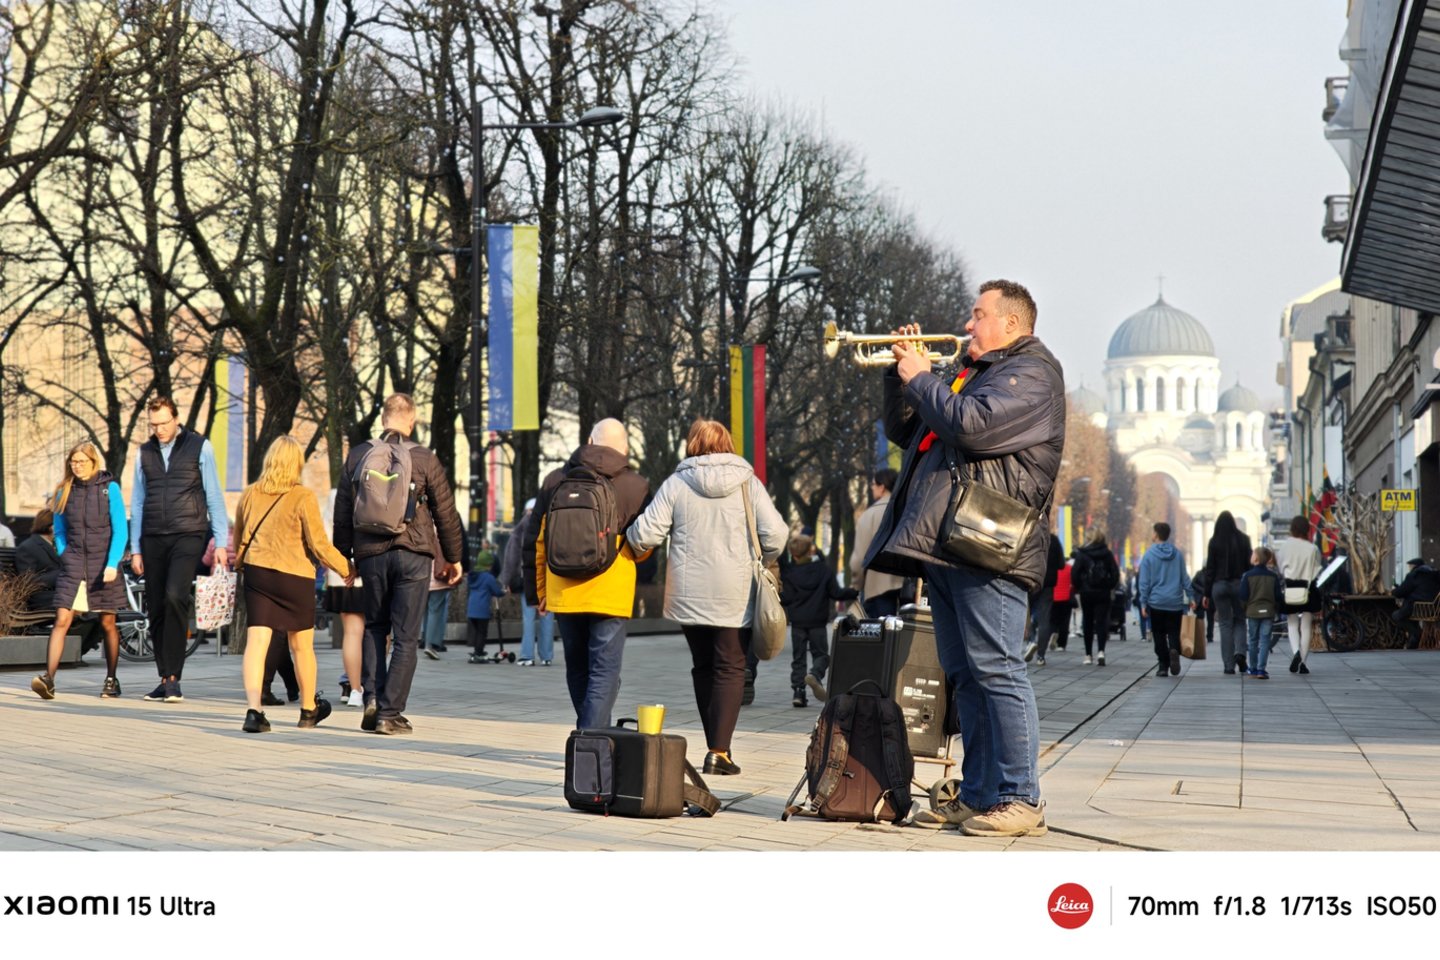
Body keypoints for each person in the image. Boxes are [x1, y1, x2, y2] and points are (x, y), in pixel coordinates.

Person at [860, 279, 1064, 837]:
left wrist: (922, 377)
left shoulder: (1033, 375)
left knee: (998, 669)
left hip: (988, 545)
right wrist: (897, 373)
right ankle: (977, 795)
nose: (968, 325)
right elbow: (911, 428)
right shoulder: (976, 372)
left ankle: (1022, 798)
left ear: (1012, 324)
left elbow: (969, 427)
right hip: (950, 545)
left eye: (978, 316)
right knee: (965, 676)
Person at [626, 418, 785, 774]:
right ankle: (719, 751)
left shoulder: (676, 484)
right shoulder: (748, 483)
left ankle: (715, 744)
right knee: (730, 666)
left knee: (703, 666)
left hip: (689, 594)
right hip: (735, 591)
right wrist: (763, 557)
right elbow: (775, 534)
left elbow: (645, 535)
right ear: (727, 443)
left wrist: (628, 533)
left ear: (692, 445)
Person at [334, 393, 464, 736]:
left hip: (371, 553)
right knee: (406, 637)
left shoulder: (360, 455)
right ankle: (390, 713)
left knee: (375, 627)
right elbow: (445, 513)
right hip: (413, 552)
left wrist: (345, 556)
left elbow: (343, 511)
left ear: (384, 418)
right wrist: (452, 557)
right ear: (411, 420)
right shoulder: (424, 459)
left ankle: (372, 698)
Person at [524, 419, 651, 730]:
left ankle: (589, 736)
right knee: (604, 671)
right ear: (624, 449)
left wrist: (537, 592)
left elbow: (536, 540)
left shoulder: (555, 480)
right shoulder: (637, 486)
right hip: (611, 593)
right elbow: (645, 544)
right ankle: (591, 740)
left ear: (590, 441)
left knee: (578, 668)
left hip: (564, 592)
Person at [234, 436, 353, 733]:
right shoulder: (303, 496)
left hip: (258, 573)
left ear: (270, 460)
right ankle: (308, 709)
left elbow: (240, 536)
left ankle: (254, 711)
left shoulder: (250, 494)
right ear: (296, 464)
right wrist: (346, 568)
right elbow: (318, 543)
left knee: (257, 644)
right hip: (294, 576)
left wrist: (240, 563)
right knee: (302, 647)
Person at [130, 396, 229, 703]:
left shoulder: (201, 447)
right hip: (153, 536)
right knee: (156, 607)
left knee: (175, 595)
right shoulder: (143, 453)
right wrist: (135, 549)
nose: (158, 429)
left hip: (189, 533)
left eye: (163, 423)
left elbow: (214, 495)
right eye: (153, 424)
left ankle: (175, 677)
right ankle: (164, 677)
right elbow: (137, 500)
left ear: (175, 418)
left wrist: (221, 542)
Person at [30, 443, 128, 701]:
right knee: (62, 619)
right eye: (73, 461)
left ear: (93, 462)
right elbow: (59, 530)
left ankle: (111, 679)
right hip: (74, 564)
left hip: (103, 566)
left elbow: (121, 530)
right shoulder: (64, 491)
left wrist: (112, 563)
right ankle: (48, 679)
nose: (77, 465)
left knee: (107, 623)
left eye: (82, 461)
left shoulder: (110, 489)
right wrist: (64, 553)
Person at [781, 532, 858, 707]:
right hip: (817, 621)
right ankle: (815, 674)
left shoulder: (789, 573)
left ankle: (798, 693)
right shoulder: (824, 570)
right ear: (811, 551)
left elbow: (785, 598)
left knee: (798, 658)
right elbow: (836, 593)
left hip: (798, 623)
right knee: (822, 655)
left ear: (793, 554)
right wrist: (854, 592)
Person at [322, 489, 366, 706]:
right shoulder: (386, 488)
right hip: (374, 568)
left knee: (351, 632)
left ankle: (355, 689)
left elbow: (325, 537)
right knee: (381, 631)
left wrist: (339, 566)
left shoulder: (337, 494)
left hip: (342, 572)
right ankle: (372, 683)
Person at [503, 498, 554, 666]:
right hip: (548, 578)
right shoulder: (551, 523)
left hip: (528, 578)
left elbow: (512, 556)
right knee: (546, 616)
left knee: (528, 617)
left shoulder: (521, 528)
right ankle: (546, 656)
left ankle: (527, 656)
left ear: (526, 511)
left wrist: (508, 580)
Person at [1200, 511, 1252, 675]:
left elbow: (1210, 569)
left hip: (1219, 585)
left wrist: (1206, 594)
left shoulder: (1214, 541)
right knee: (1240, 620)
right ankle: (1241, 653)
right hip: (1239, 584)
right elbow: (1249, 566)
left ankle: (1228, 666)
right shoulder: (1244, 540)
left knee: (1224, 624)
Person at [1138, 522, 1191, 678]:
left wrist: (1143, 602)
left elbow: (1144, 582)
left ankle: (1163, 665)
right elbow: (1184, 578)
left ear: (1155, 534)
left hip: (1156, 602)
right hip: (1175, 602)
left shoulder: (1148, 555)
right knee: (1174, 632)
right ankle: (1174, 648)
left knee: (1159, 634)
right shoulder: (1178, 554)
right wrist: (1192, 596)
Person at [849, 468, 904, 617]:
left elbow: (859, 559)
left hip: (877, 588)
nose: (871, 487)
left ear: (882, 486)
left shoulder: (869, 516)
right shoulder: (906, 511)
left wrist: (857, 585)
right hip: (907, 588)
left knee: (880, 636)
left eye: (873, 484)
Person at [1274, 515, 1323, 673]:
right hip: (1308, 587)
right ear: (1307, 530)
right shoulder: (1312, 548)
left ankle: (1296, 652)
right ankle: (1303, 661)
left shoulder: (1284, 547)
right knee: (1306, 625)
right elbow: (1317, 569)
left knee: (1292, 623)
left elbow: (1281, 568)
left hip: (1290, 586)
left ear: (1292, 529)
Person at [1072, 531, 1120, 667]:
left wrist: (1080, 587)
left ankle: (1088, 655)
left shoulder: (1082, 554)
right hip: (1103, 592)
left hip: (1087, 592)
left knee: (1087, 621)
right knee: (1101, 622)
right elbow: (1115, 573)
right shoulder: (1107, 554)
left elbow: (1075, 573)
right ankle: (1101, 651)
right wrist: (1108, 586)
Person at [1023, 533, 1064, 666]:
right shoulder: (1054, 540)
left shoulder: (1028, 535)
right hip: (1048, 584)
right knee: (1045, 620)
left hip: (1030, 580)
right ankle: (1041, 656)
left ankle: (1031, 640)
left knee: (1025, 613)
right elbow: (1061, 564)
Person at [1240, 546, 1280, 679]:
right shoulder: (1273, 576)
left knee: (1252, 640)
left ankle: (1253, 668)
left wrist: (1245, 609)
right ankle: (1262, 670)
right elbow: (1278, 596)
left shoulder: (1247, 576)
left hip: (1253, 612)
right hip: (1268, 612)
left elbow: (1243, 596)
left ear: (1256, 558)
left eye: (1253, 554)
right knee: (1265, 641)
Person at [16, 508, 63, 612]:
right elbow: (28, 582)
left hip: (60, 593)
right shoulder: (28, 547)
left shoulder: (59, 546)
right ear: (52, 527)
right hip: (42, 598)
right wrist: (61, 574)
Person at [1392, 557, 1440, 650]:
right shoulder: (1435, 574)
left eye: (1409, 566)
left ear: (1413, 566)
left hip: (1419, 608)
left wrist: (1393, 591)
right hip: (1435, 609)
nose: (1409, 568)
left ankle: (1417, 635)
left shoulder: (1414, 575)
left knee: (1397, 616)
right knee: (1409, 617)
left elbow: (1401, 592)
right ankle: (1414, 640)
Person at [465, 548, 504, 662]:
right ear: (488, 565)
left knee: (477, 631)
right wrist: (503, 592)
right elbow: (496, 591)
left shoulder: (473, 576)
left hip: (471, 610)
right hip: (482, 610)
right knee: (482, 632)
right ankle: (478, 652)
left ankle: (478, 650)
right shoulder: (488, 577)